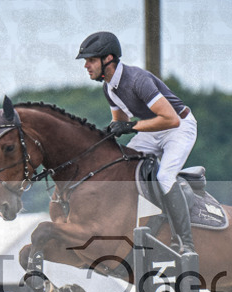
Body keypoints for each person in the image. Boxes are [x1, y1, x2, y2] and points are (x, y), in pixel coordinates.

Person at [76, 31, 197, 253]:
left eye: (91, 60)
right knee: (119, 164)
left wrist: (131, 127)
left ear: (108, 59)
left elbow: (171, 120)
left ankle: (185, 242)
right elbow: (120, 122)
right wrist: (104, 135)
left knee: (164, 177)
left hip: (179, 127)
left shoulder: (137, 80)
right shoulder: (109, 87)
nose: (86, 66)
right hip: (154, 128)